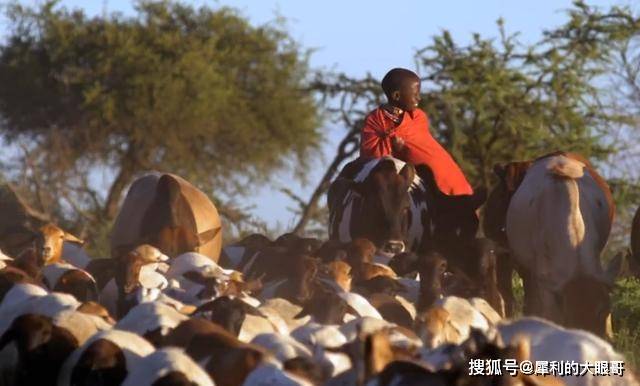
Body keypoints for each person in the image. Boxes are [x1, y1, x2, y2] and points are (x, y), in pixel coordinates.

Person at [360, 68, 473, 196]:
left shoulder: (418, 117)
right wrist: (391, 145)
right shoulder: (376, 120)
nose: (419, 98)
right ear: (397, 96)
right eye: (415, 95)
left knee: (461, 194)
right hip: (414, 184)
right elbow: (369, 157)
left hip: (449, 175)